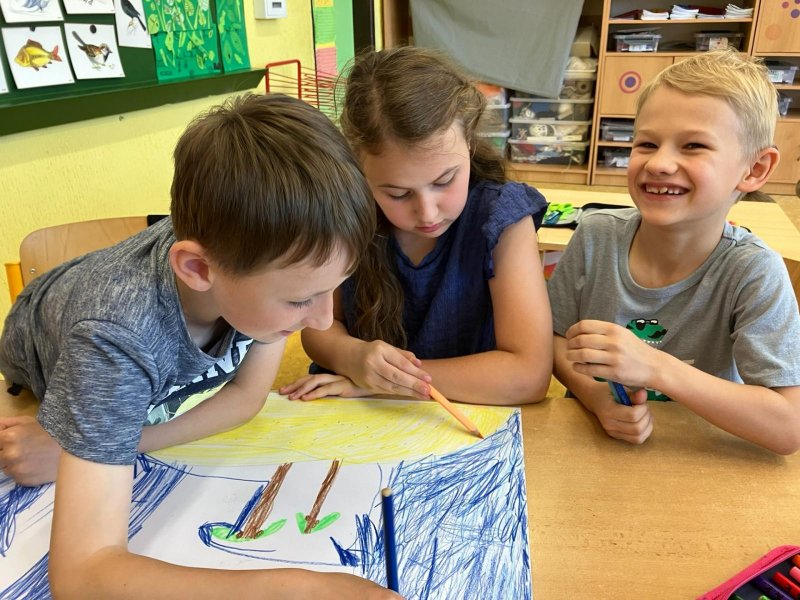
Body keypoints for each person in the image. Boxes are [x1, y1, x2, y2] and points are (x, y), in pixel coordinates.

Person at [0, 93, 400, 599]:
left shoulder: (257, 261)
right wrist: (295, 589)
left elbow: (246, 398)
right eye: (301, 299)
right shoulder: (112, 339)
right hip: (35, 370)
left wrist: (111, 443)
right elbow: (82, 576)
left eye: (334, 287)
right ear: (197, 269)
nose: (322, 319)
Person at [547, 49, 800, 454]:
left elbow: (789, 426)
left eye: (694, 145)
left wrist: (655, 367)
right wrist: (596, 399)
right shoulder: (595, 235)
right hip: (595, 448)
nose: (659, 163)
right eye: (647, 143)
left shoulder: (754, 272)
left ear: (754, 169)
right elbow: (556, 339)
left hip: (698, 458)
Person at [280, 46, 552, 406]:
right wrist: (352, 356)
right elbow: (319, 327)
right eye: (397, 193)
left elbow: (529, 376)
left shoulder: (501, 219)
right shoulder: (343, 212)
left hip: (453, 413)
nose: (427, 213)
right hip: (356, 409)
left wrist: (388, 383)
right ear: (359, 172)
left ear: (469, 143)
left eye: (444, 181)